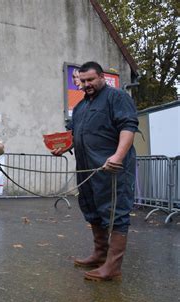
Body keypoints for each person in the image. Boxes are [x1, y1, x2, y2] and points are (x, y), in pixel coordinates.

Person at [52, 61, 138, 281]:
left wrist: (117, 157)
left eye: (90, 80)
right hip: (87, 169)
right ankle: (100, 254)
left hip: (112, 169)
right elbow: (74, 135)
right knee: (92, 209)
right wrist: (62, 148)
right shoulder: (81, 106)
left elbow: (128, 126)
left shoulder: (117, 97)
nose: (86, 84)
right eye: (83, 81)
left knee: (116, 212)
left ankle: (113, 266)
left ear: (101, 77)